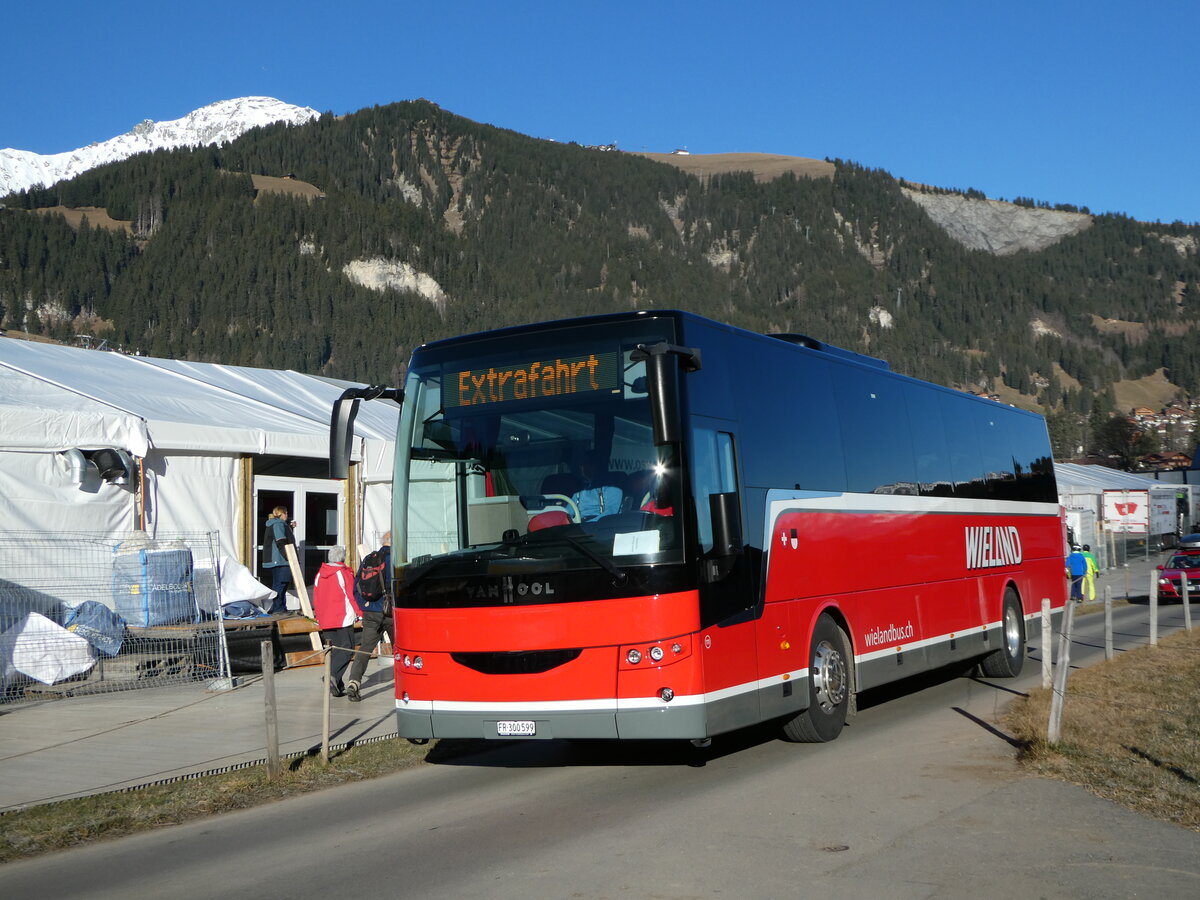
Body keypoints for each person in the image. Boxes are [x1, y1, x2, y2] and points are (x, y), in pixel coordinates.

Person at [346, 532, 393, 702]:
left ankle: (354, 682)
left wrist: (363, 604)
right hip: (390, 611)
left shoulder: (368, 558)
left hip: (370, 611)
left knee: (365, 648)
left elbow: (357, 584)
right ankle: (407, 683)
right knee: (401, 649)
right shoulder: (394, 558)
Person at [311, 546, 359, 697]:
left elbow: (316, 596)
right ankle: (331, 676)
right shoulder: (344, 572)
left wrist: (318, 616)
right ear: (343, 557)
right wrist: (360, 612)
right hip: (342, 616)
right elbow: (352, 594)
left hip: (326, 617)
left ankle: (337, 684)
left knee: (336, 649)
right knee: (347, 648)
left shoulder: (320, 574)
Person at [263, 506, 297, 614]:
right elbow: (281, 541)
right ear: (280, 514)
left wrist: (290, 528)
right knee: (281, 584)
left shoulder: (278, 524)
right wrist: (289, 557)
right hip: (280, 560)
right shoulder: (278, 524)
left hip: (278, 560)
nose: (287, 515)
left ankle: (280, 607)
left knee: (280, 584)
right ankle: (278, 609)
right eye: (285, 513)